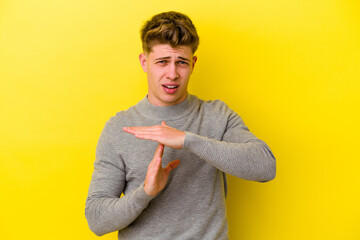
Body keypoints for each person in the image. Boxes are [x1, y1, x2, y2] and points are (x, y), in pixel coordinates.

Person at [85, 11, 276, 240]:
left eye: (181, 62)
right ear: (145, 63)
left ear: (193, 64)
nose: (172, 74)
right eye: (162, 62)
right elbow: (96, 220)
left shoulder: (218, 115)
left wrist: (188, 140)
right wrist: (145, 192)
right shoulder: (120, 128)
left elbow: (265, 167)